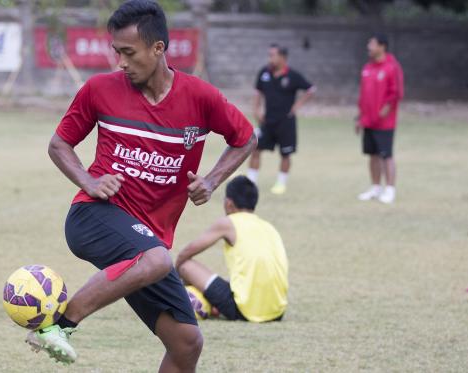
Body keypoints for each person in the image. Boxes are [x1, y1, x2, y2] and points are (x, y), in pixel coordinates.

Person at [25, 0, 256, 370]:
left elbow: (245, 138)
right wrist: (88, 179)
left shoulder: (200, 98)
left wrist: (211, 181)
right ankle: (60, 325)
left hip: (149, 248)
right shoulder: (99, 89)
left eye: (128, 53)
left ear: (158, 48)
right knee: (156, 259)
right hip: (93, 216)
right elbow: (59, 144)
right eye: (117, 52)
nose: (121, 62)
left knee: (187, 342)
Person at [175, 176, 288, 323]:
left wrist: (176, 277)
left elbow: (187, 252)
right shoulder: (269, 227)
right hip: (277, 312)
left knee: (186, 265)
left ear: (228, 203)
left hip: (244, 310)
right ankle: (210, 302)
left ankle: (186, 297)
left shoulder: (228, 223)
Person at [246, 44, 315, 195]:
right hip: (267, 121)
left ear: (283, 58)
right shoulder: (264, 73)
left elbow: (311, 89)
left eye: (272, 55)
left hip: (286, 122)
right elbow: (257, 92)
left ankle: (281, 183)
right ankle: (250, 183)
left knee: (285, 153)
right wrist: (256, 110)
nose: (269, 58)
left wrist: (297, 106)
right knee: (255, 149)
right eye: (269, 55)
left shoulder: (293, 76)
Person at [356, 34, 404, 204]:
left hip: (384, 123)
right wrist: (359, 118)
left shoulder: (392, 67)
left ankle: (390, 189)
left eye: (372, 43)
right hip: (368, 120)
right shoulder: (367, 68)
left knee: (386, 155)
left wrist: (386, 110)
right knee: (372, 155)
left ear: (382, 46)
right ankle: (375, 188)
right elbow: (363, 96)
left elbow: (396, 92)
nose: (369, 46)